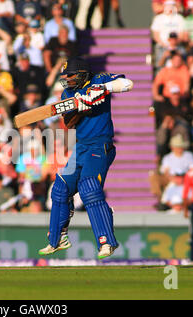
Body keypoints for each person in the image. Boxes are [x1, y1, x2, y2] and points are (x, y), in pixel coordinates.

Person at [38, 56, 134, 258]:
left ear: (82, 74)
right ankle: (57, 239)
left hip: (100, 145)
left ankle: (107, 241)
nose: (67, 80)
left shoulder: (99, 79)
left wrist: (103, 90)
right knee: (61, 188)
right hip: (81, 147)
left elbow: (128, 83)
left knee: (89, 187)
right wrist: (81, 107)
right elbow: (69, 123)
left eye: (70, 75)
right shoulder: (68, 93)